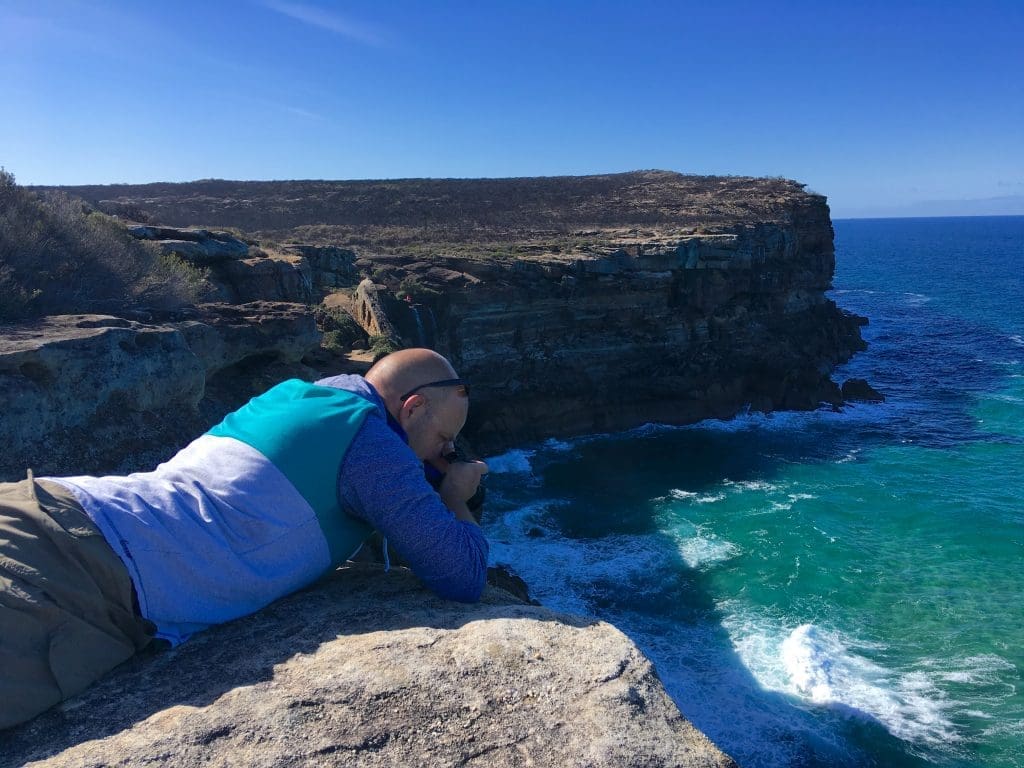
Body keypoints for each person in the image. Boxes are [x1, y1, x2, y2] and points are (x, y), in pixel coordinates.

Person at [0, 348, 489, 729]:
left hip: (49, 505)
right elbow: (461, 574)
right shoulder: (372, 445)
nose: (446, 450)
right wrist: (454, 497)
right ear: (413, 406)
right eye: (445, 437)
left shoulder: (293, 396)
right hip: (73, 570)